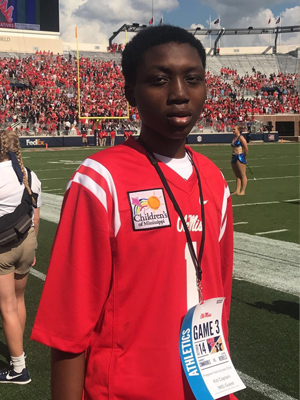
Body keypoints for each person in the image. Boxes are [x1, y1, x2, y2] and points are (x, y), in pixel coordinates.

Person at [31, 25, 237, 400]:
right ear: (130, 92)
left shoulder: (214, 179)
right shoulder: (101, 179)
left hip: (206, 387)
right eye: (159, 80)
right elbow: (70, 319)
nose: (178, 94)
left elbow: (219, 291)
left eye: (193, 79)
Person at [0, 128, 41, 384]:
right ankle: (19, 350)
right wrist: (32, 247)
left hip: (4, 246)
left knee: (7, 308)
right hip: (27, 241)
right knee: (18, 299)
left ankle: (18, 369)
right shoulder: (30, 175)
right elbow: (35, 214)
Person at [231, 125, 248, 195]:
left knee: (242, 174)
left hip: (239, 156)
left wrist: (243, 156)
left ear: (238, 130)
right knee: (237, 175)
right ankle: (237, 190)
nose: (233, 130)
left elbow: (246, 148)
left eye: (234, 129)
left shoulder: (241, 138)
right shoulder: (234, 138)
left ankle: (243, 191)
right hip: (234, 156)